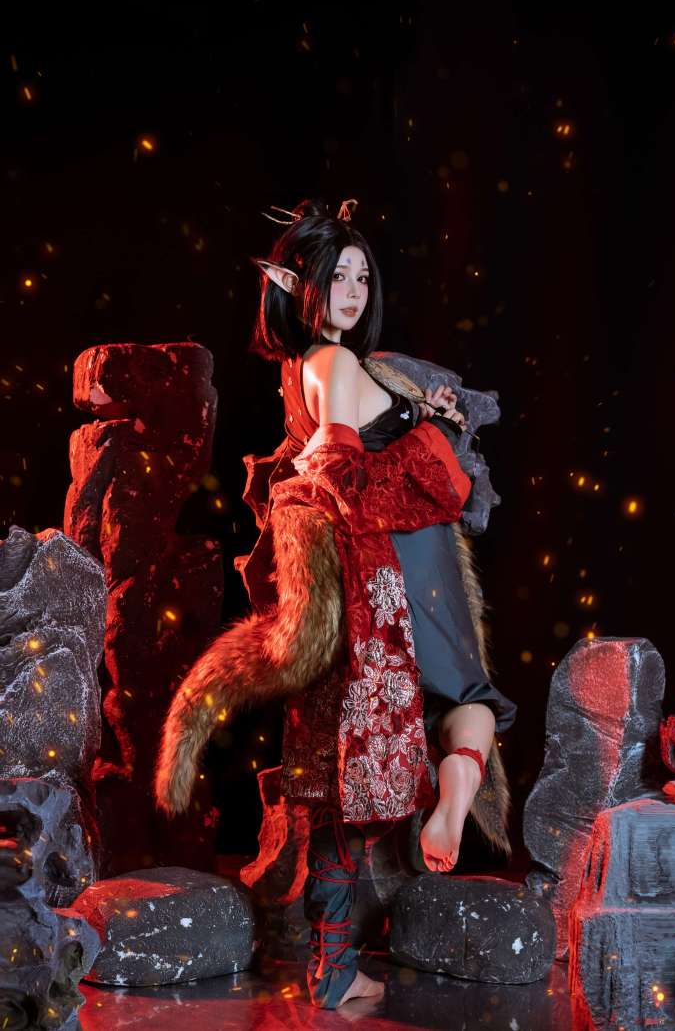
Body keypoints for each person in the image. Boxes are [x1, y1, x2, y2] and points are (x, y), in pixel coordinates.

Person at [154, 197, 517, 1009]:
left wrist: (416, 417)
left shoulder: (305, 370)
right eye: (336, 276)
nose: (353, 291)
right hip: (395, 567)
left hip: (380, 570)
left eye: (361, 277)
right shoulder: (336, 365)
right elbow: (345, 481)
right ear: (299, 286)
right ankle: (451, 803)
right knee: (464, 704)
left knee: (346, 763)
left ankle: (336, 961)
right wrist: (425, 444)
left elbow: (326, 462)